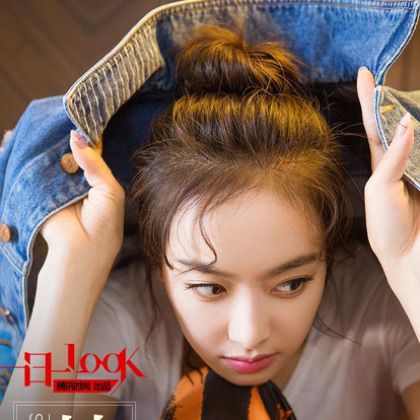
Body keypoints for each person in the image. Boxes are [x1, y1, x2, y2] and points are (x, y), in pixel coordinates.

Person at [1, 24, 420, 420]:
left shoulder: (379, 309)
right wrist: (70, 272)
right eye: (210, 288)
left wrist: (407, 261)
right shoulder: (124, 319)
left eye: (292, 283)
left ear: (328, 252)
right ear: (158, 264)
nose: (250, 335)